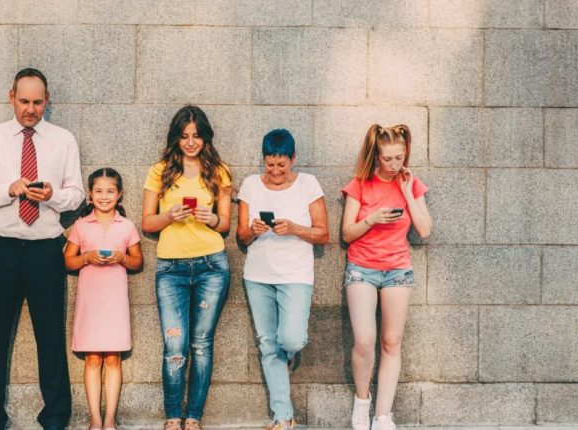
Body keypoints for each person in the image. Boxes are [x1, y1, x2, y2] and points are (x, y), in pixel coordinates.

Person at [0, 68, 84, 430]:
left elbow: (77, 195)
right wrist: (9, 189)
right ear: (11, 97)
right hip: (1, 249)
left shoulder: (63, 140)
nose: (30, 109)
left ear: (47, 100)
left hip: (45, 250)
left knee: (50, 335)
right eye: (24, 101)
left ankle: (55, 417)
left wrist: (53, 197)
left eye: (37, 102)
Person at [141, 105, 232, 430]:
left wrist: (213, 219)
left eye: (196, 136)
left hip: (211, 266)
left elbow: (225, 226)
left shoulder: (219, 171)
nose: (191, 142)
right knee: (174, 344)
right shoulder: (160, 170)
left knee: (202, 343)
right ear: (176, 138)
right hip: (171, 269)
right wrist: (169, 216)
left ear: (205, 136)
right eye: (184, 136)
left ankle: (193, 417)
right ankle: (172, 416)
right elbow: (147, 223)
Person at [236, 129, 328, 430]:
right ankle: (283, 417)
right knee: (267, 344)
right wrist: (254, 229)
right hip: (258, 275)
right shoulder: (250, 184)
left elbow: (323, 234)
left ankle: (288, 355)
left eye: (281, 165)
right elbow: (241, 236)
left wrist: (295, 229)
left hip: (296, 275)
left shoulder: (308, 184)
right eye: (270, 165)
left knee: (290, 339)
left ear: (293, 159)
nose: (275, 172)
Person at [342, 125, 432, 430]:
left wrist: (407, 192)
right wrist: (372, 219)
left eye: (400, 157)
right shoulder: (360, 184)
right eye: (389, 159)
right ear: (376, 157)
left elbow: (425, 229)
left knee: (392, 342)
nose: (395, 165)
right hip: (362, 268)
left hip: (397, 271)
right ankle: (362, 400)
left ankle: (382, 415)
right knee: (365, 340)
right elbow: (346, 233)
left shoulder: (411, 183)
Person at [64, 168, 143, 430]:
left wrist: (122, 258)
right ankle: (94, 420)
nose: (104, 196)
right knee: (93, 358)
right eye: (98, 191)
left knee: (112, 358)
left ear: (119, 195)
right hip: (90, 300)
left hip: (115, 300)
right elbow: (67, 260)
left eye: (110, 191)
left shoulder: (127, 226)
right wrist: (86, 258)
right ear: (89, 195)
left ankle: (109, 419)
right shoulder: (80, 225)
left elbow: (137, 261)